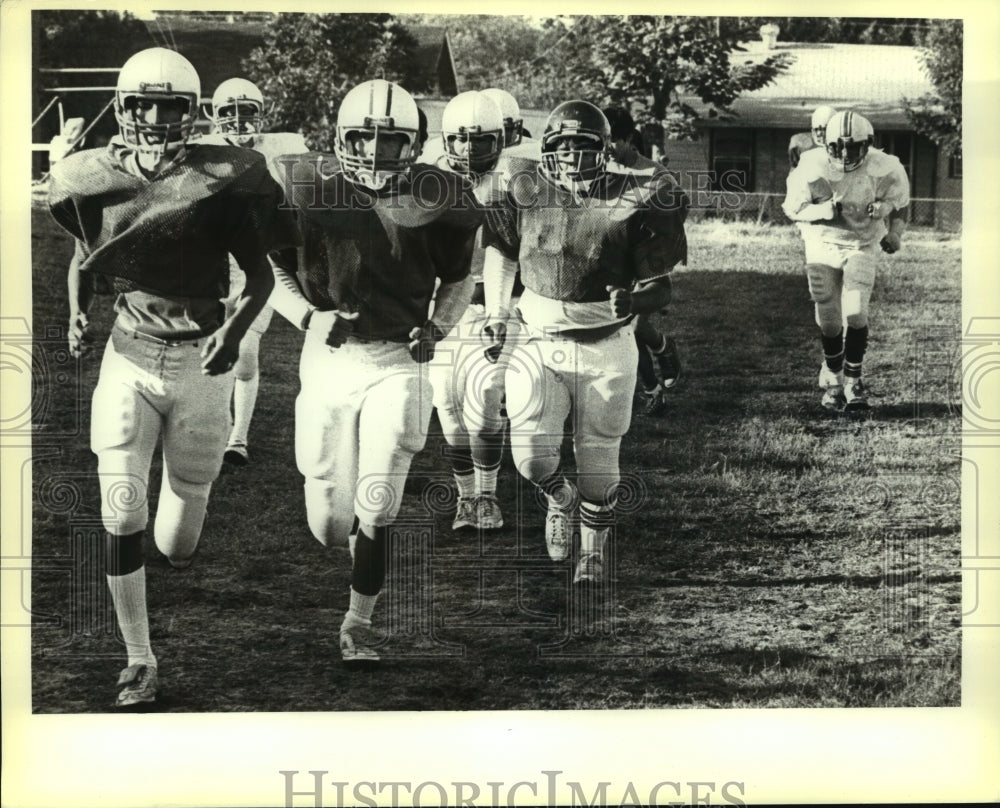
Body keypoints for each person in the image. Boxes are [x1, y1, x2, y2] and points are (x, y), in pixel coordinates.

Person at [48, 48, 297, 707]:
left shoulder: (222, 178)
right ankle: (140, 659)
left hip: (199, 364)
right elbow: (83, 254)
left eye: (170, 106)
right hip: (128, 356)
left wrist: (235, 331)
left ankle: (179, 512)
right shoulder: (96, 175)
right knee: (120, 508)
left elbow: (263, 275)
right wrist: (78, 314)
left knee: (178, 541)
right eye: (142, 105)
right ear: (123, 109)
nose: (155, 118)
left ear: (194, 114)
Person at [269, 79, 483, 663]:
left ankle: (358, 623)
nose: (371, 151)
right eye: (361, 137)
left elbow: (461, 277)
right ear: (339, 137)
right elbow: (274, 273)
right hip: (331, 358)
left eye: (389, 141)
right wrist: (311, 318)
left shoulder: (442, 198)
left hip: (398, 360)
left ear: (413, 145)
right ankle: (349, 546)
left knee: (380, 497)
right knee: (331, 521)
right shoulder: (307, 190)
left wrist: (438, 324)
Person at [482, 100, 689, 585]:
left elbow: (662, 285)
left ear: (605, 149)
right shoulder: (525, 187)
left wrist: (634, 302)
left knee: (598, 459)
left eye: (583, 146)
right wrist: (495, 312)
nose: (572, 157)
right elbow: (501, 253)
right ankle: (560, 500)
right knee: (532, 457)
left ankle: (592, 552)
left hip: (606, 342)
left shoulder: (639, 195)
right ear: (546, 149)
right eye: (562, 146)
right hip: (537, 339)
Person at [203, 78, 310, 467]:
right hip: (211, 265)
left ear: (260, 113)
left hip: (257, 266)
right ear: (213, 117)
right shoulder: (201, 152)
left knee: (245, 351)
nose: (237, 120)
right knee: (210, 348)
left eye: (245, 111)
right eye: (228, 112)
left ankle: (238, 437)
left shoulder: (282, 149)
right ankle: (218, 423)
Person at [782, 110, 909, 412]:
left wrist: (895, 233)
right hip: (821, 244)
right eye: (838, 147)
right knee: (828, 318)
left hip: (862, 244)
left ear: (868, 144)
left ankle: (853, 381)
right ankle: (833, 380)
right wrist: (820, 211)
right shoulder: (811, 163)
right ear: (826, 142)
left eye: (853, 147)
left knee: (855, 311)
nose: (845, 154)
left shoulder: (886, 165)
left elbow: (902, 205)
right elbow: (791, 208)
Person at [426, 90, 511, 531]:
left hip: (492, 306)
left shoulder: (513, 182)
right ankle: (464, 499)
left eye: (481, 141)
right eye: (460, 139)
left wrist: (500, 310)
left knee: (484, 404)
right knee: (447, 407)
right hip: (441, 308)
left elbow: (512, 254)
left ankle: (488, 497)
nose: (469, 149)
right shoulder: (427, 181)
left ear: (499, 140)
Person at [603, 106, 682, 417]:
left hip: (648, 254)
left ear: (627, 140)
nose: (605, 150)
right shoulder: (598, 171)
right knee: (625, 327)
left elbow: (677, 212)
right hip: (615, 254)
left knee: (632, 326)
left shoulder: (655, 174)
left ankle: (658, 368)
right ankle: (656, 376)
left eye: (611, 142)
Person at [788, 105, 836, 170]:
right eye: (818, 129)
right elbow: (796, 169)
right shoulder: (801, 141)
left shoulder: (842, 142)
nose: (822, 133)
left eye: (826, 129)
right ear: (812, 129)